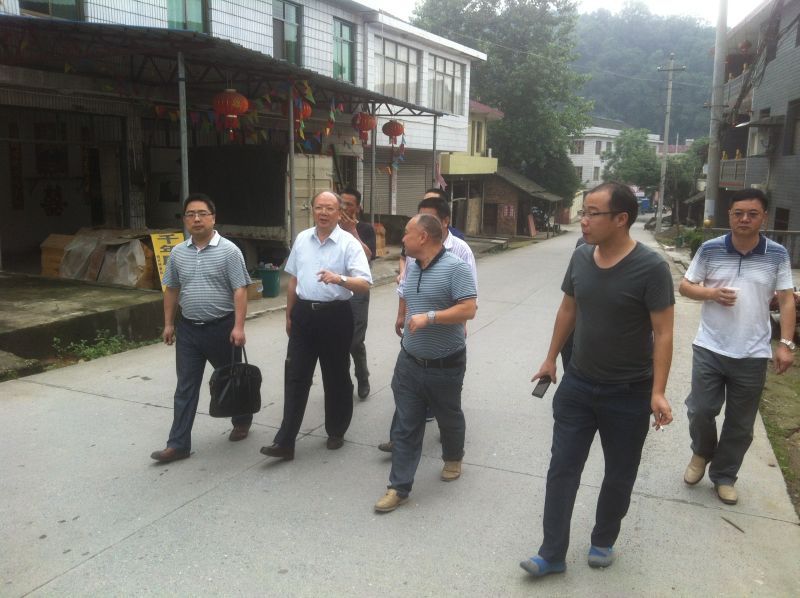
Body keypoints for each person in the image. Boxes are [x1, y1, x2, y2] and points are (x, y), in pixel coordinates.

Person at [521, 182, 674, 576]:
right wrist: (550, 358)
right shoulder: (580, 257)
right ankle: (551, 553)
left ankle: (603, 538)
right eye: (583, 212)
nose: (583, 221)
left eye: (592, 213)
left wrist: (657, 391)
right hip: (578, 384)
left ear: (621, 219)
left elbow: (664, 332)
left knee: (619, 473)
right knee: (562, 469)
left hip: (629, 392)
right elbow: (568, 310)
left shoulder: (651, 268)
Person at [679, 187, 795, 506]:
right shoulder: (710, 249)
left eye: (752, 214)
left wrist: (785, 343)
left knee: (741, 424)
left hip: (752, 352)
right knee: (700, 409)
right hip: (710, 346)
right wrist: (711, 294)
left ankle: (724, 476)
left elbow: (786, 299)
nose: (744, 219)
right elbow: (686, 286)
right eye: (738, 213)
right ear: (729, 215)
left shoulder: (777, 254)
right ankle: (702, 452)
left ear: (764, 218)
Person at [374, 213, 477, 513]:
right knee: (406, 425)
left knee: (448, 416)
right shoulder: (412, 265)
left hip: (446, 364)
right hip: (409, 360)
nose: (402, 238)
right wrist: (403, 316)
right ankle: (398, 487)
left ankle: (453, 457)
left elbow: (469, 309)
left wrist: (429, 317)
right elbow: (409, 294)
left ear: (423, 237)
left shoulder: (456, 267)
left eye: (406, 232)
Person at [260, 191, 372, 461]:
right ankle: (285, 441)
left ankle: (336, 430)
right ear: (312, 209)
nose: (323, 212)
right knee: (295, 376)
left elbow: (364, 283)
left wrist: (339, 278)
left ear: (339, 213)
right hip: (304, 316)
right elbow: (294, 280)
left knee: (336, 376)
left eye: (330, 208)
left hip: (336, 316)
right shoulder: (302, 239)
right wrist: (289, 315)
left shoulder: (348, 243)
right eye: (319, 207)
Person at [150, 193, 252, 463]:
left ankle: (242, 419)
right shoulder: (177, 253)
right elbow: (172, 289)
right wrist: (169, 323)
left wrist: (239, 327)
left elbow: (240, 290)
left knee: (231, 378)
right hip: (189, 331)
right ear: (185, 220)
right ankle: (178, 444)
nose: (196, 219)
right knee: (185, 387)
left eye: (202, 214)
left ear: (213, 218)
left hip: (222, 329)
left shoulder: (229, 251)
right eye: (190, 214)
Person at [339, 187, 377, 400]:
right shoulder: (331, 228)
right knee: (338, 341)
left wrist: (352, 231)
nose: (344, 208)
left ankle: (362, 377)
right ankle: (342, 382)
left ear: (358, 208)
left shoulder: (365, 229)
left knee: (354, 340)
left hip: (358, 290)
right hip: (335, 290)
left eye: (349, 204)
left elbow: (369, 256)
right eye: (341, 203)